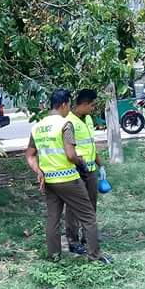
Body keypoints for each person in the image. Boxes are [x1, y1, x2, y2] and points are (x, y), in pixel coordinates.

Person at [25, 89, 111, 264]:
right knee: (88, 217)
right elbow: (70, 155)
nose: (69, 109)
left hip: (49, 181)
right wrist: (82, 164)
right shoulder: (65, 125)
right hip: (68, 179)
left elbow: (30, 155)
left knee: (53, 219)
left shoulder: (38, 127)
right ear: (64, 104)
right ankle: (94, 256)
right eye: (69, 105)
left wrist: (39, 171)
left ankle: (54, 257)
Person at [64, 89, 104, 253]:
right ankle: (73, 241)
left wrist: (101, 165)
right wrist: (79, 165)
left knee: (91, 204)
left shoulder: (87, 118)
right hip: (76, 170)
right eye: (92, 105)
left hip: (91, 170)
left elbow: (90, 144)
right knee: (74, 207)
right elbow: (69, 150)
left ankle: (88, 236)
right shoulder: (68, 122)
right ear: (84, 104)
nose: (93, 109)